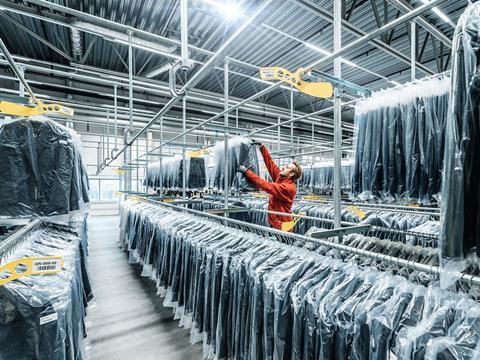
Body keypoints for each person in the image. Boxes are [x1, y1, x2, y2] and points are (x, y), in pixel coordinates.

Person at [237, 140, 302, 231]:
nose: (283, 167)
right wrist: (262, 147)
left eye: (287, 167)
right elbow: (271, 165)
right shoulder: (281, 178)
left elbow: (266, 185)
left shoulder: (288, 188)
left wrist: (246, 172)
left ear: (291, 174)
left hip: (283, 225)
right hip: (276, 222)